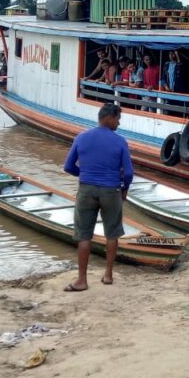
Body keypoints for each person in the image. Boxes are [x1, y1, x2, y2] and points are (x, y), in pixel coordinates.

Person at [62, 103, 134, 291]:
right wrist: (124, 189)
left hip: (86, 190)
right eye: (118, 119)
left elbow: (68, 166)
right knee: (112, 233)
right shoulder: (120, 141)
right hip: (111, 190)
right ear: (109, 118)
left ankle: (82, 281)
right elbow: (128, 173)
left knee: (84, 235)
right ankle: (108, 275)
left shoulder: (82, 137)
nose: (118, 123)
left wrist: (85, 174)